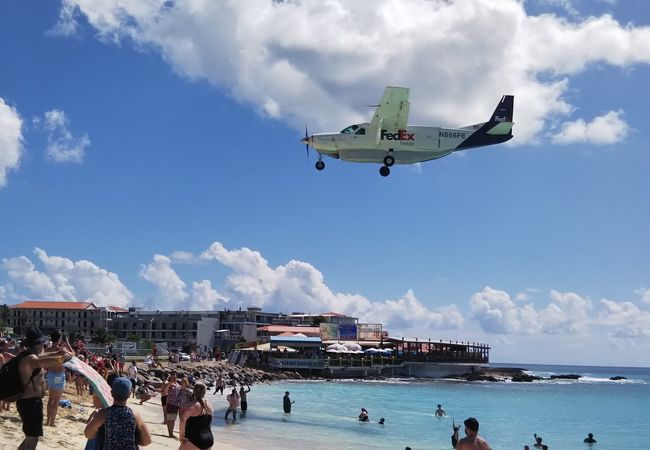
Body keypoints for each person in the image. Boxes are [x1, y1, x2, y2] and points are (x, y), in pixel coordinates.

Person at [15, 327, 74, 450]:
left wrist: (57, 353)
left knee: (29, 436)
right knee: (33, 438)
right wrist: (62, 358)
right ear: (39, 344)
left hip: (28, 401)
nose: (44, 345)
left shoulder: (28, 354)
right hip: (30, 403)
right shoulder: (31, 359)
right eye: (42, 343)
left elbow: (43, 355)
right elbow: (44, 361)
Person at [84, 377, 152, 449]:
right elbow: (147, 440)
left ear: (111, 393)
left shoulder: (103, 414)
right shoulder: (135, 415)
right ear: (129, 394)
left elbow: (88, 434)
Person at [179, 382, 214, 450]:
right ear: (204, 392)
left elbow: (183, 419)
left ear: (194, 391)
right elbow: (209, 424)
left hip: (194, 439)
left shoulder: (192, 405)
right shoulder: (209, 406)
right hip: (209, 438)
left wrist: (181, 435)